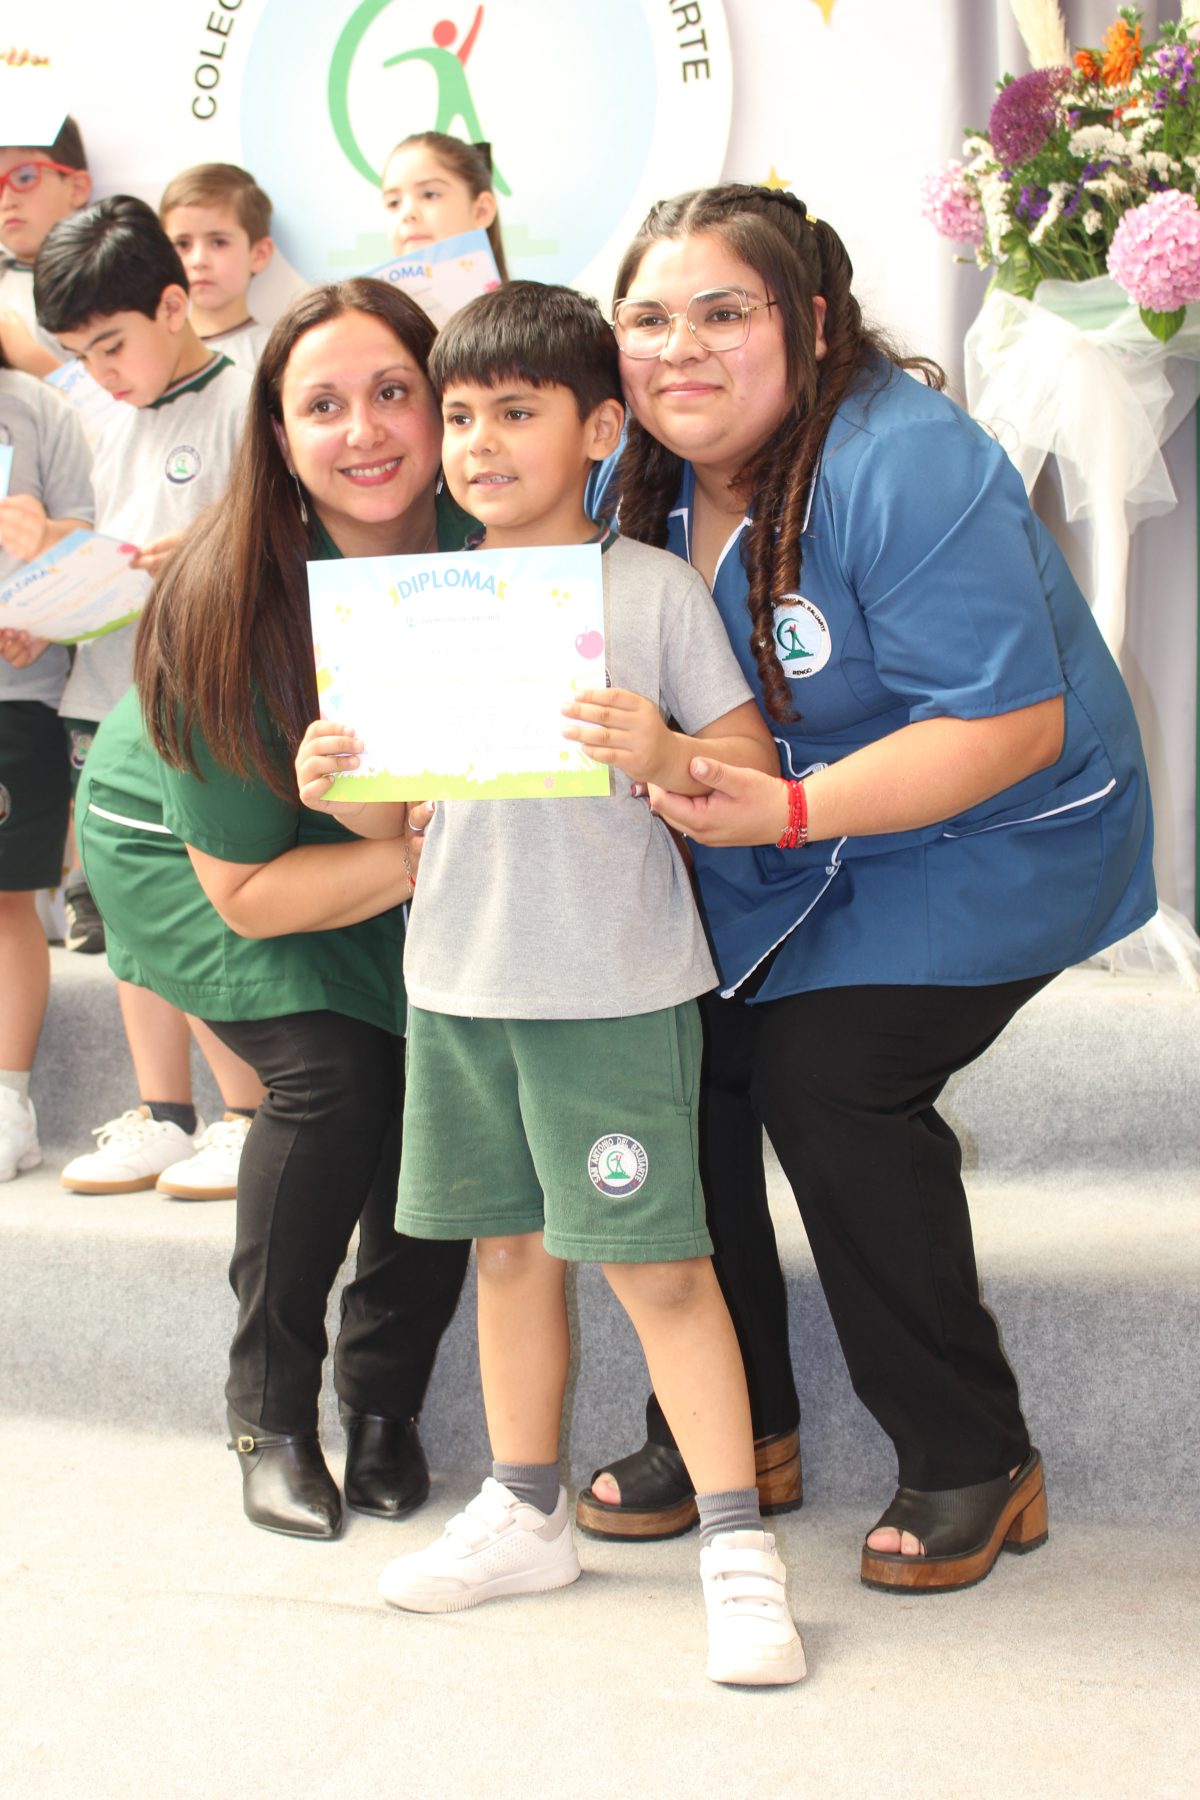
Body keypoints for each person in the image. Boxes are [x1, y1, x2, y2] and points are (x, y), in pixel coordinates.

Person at [582, 183, 1155, 1594]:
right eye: (650, 318)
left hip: (990, 834)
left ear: (811, 322)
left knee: (828, 1079)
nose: (682, 348)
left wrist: (784, 806)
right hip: (778, 841)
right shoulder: (632, 481)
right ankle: (737, 1432)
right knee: (671, 1048)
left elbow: (1008, 727)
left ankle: (972, 1451)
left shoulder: (903, 458)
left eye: (726, 311)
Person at [299, 280, 805, 1686]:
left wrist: (659, 751)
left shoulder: (648, 589)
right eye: (457, 414)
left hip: (614, 988)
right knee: (506, 1250)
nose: (476, 442)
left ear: (597, 426)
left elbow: (751, 772)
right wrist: (330, 780)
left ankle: (733, 1544)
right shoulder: (419, 604)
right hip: (459, 985)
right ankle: (527, 1508)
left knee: (659, 1270)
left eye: (516, 413)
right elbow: (391, 823)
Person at [75, 277, 474, 1538]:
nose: (364, 430)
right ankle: (268, 1415)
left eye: (393, 391)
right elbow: (246, 893)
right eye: (323, 404)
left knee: (445, 1079)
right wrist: (434, 851)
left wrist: (440, 837)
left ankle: (387, 1407)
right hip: (208, 852)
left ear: (443, 402)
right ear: (280, 436)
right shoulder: (222, 598)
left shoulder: (496, 542)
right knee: (342, 1081)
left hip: (392, 834)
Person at [30, 193, 263, 1198]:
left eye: (113, 345)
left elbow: (275, 554)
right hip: (98, 695)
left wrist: (202, 559)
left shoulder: (250, 401)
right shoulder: (87, 413)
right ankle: (163, 1112)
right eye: (79, 354)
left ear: (175, 306)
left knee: (198, 909)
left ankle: (247, 1114)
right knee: (120, 911)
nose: (100, 372)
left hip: (201, 711)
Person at [0, 338, 94, 1180]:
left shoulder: (38, 410)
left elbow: (90, 549)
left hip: (13, 694)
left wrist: (42, 600)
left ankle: (7, 1103)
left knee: (2, 902)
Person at [160, 163, 276, 372]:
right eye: (183, 244)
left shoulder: (276, 354)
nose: (198, 260)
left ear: (259, 254)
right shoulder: (154, 349)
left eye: (218, 242)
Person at [0, 112, 91, 377]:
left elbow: (115, 410)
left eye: (25, 178)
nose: (7, 201)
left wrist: (28, 357)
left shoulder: (103, 281)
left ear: (77, 188)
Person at [381, 131, 508, 277]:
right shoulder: (364, 298)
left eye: (430, 195)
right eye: (393, 203)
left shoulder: (527, 299)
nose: (408, 214)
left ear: (481, 211)